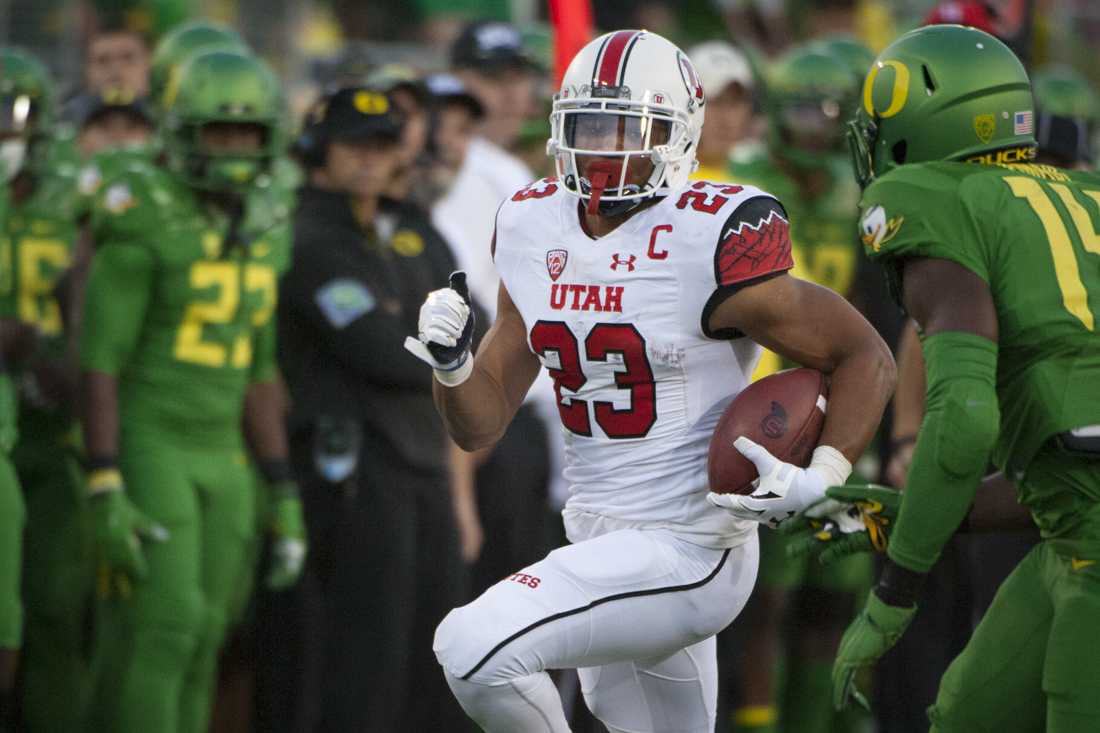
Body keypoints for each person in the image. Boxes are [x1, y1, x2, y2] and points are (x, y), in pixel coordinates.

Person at [406, 29, 895, 733]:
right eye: (586, 126)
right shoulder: (529, 222)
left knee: (472, 646)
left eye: (623, 129)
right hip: (600, 536)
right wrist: (451, 365)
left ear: (678, 133)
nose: (600, 149)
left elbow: (864, 353)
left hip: (690, 544)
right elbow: (479, 421)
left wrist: (827, 469)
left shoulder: (713, 234)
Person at [809, 25, 1100, 730]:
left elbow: (967, 417)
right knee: (969, 711)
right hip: (1072, 540)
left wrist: (894, 592)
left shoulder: (935, 200)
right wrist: (914, 518)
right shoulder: (1081, 196)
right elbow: (1067, 476)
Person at [79, 49, 305, 733]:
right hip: (155, 439)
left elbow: (260, 368)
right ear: (181, 132)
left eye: (245, 133)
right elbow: (100, 362)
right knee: (168, 626)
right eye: (217, 131)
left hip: (225, 454)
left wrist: (283, 485)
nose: (234, 148)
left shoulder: (266, 224)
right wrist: (104, 478)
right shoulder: (143, 213)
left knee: (208, 629)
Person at [272, 85, 470, 733]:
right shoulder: (306, 232)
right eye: (353, 143)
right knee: (363, 661)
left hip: (422, 464)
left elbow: (477, 323)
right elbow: (376, 349)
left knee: (432, 655)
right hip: (355, 471)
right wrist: (431, 341)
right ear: (319, 150)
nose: (367, 157)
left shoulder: (407, 226)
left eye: (383, 143)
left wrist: (416, 331)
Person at [720, 42, 873, 733]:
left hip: (843, 405)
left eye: (831, 111)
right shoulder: (741, 184)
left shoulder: (859, 191)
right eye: (804, 108)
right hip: (764, 413)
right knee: (766, 603)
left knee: (837, 599)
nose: (817, 124)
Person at [0, 47, 93, 733]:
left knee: (60, 606)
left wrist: (66, 353)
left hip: (55, 425)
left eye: (13, 117)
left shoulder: (77, 197)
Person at [687, 41, 756, 183]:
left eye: (735, 103)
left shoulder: (767, 175)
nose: (727, 119)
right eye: (715, 102)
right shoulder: (665, 181)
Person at [61, 23, 151, 124]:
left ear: (149, 64)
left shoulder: (168, 119)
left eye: (127, 58)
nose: (115, 69)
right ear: (85, 71)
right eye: (102, 60)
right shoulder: (64, 122)